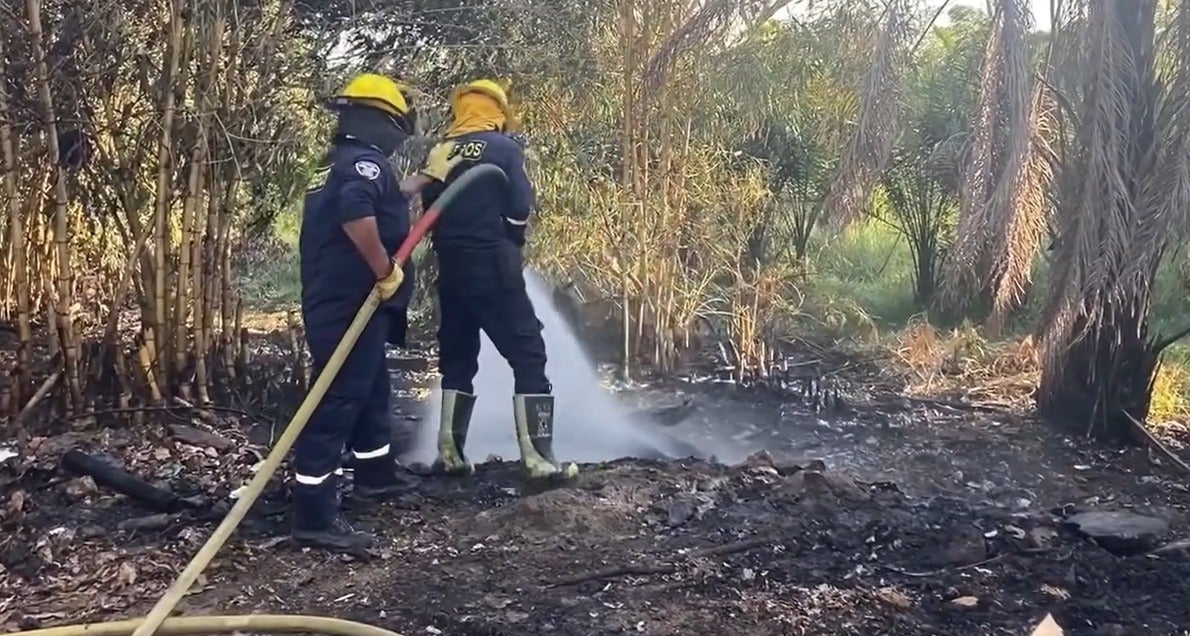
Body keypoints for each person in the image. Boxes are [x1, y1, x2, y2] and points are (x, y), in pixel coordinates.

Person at [295, 73, 457, 552]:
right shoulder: (363, 165)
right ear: (377, 121)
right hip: (350, 304)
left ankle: (375, 476)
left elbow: (385, 197)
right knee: (338, 399)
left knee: (370, 391)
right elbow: (357, 217)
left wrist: (428, 177)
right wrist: (385, 269)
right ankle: (313, 514)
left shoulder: (342, 163)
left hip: (344, 302)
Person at [412, 79, 577, 481]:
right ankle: (538, 459)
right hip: (493, 264)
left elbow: (430, 207)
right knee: (528, 354)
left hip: (450, 266)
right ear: (497, 112)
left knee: (457, 356)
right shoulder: (504, 148)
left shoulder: (441, 151)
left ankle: (449, 455)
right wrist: (511, 239)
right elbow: (520, 205)